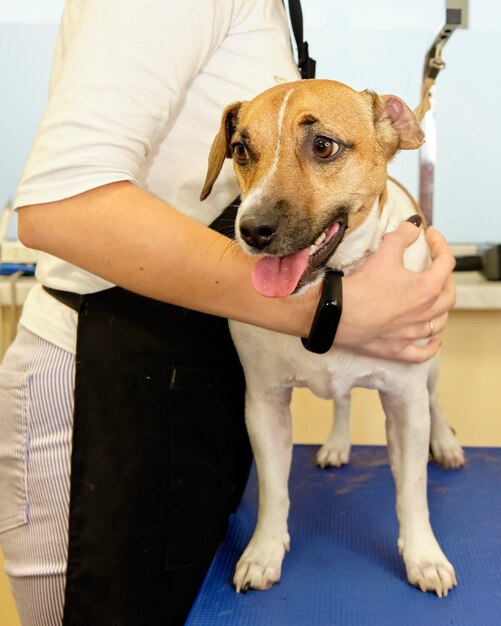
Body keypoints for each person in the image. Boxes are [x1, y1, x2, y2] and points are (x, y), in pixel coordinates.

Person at [0, 1, 455, 625]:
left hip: (191, 377)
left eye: (322, 148)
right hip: (100, 376)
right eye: (245, 153)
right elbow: (56, 206)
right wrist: (327, 313)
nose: (259, 207)